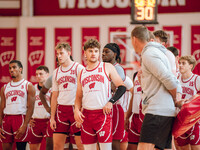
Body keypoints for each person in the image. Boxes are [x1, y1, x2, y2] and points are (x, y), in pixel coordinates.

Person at [131, 26, 179, 150]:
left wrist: (176, 98)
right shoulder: (157, 52)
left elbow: (168, 78)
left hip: (157, 110)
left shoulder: (149, 53)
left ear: (134, 39)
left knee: (143, 148)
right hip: (163, 109)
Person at [74, 39, 126, 150]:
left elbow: (122, 87)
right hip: (86, 116)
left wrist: (111, 102)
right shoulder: (81, 72)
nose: (93, 53)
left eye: (96, 51)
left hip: (103, 114)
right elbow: (79, 96)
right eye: (90, 51)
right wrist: (76, 110)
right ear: (85, 53)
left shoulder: (107, 67)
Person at [50, 43, 84, 150]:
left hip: (75, 109)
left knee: (80, 145)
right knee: (57, 146)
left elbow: (85, 91)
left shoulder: (78, 68)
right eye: (57, 54)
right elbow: (54, 96)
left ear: (69, 53)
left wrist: (81, 110)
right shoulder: (56, 72)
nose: (59, 56)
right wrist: (52, 117)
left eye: (61, 53)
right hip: (61, 111)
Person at [0, 60, 35, 150]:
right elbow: (2, 107)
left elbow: (31, 107)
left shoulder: (28, 85)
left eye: (14, 67)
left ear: (20, 69)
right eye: (10, 68)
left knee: (21, 148)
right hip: (7, 119)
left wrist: (25, 125)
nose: (11, 70)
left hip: (20, 118)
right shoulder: (4, 87)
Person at [102, 43, 127, 150]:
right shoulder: (102, 68)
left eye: (107, 52)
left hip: (115, 107)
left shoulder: (118, 69)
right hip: (103, 107)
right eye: (103, 51)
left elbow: (114, 87)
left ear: (115, 54)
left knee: (114, 140)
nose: (103, 54)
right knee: (103, 140)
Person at [175, 55, 200, 150]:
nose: (180, 65)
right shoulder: (176, 78)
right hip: (179, 119)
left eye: (183, 63)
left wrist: (193, 99)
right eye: (179, 63)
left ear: (191, 66)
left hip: (193, 121)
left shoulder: (197, 79)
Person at [28, 65, 53, 150]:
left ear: (47, 75)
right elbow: (27, 106)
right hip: (35, 122)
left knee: (50, 147)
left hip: (48, 121)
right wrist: (28, 119)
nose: (38, 76)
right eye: (37, 74)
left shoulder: (53, 88)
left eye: (41, 74)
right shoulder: (32, 89)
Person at [125, 71, 143, 150]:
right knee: (131, 147)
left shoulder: (152, 72)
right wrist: (127, 117)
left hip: (146, 116)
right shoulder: (136, 74)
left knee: (146, 146)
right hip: (135, 117)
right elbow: (134, 97)